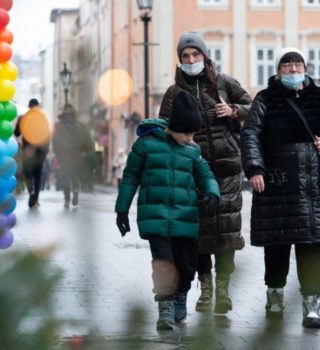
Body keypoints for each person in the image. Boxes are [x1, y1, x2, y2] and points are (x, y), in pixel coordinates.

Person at [240, 47, 320, 328]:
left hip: (314, 186)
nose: (293, 69)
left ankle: (311, 303)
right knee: (276, 244)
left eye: (297, 64)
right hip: (277, 183)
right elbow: (250, 133)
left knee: (311, 246)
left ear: (305, 68)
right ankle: (274, 296)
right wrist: (254, 168)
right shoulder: (265, 99)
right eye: (287, 65)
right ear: (278, 70)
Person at [158, 32, 252, 315]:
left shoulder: (224, 83)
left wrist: (234, 110)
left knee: (227, 230)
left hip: (226, 169)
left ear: (204, 55)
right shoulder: (174, 93)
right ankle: (206, 284)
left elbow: (257, 107)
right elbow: (163, 128)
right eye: (185, 56)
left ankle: (223, 287)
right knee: (198, 234)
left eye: (195, 55)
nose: (191, 60)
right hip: (192, 172)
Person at [115, 90, 220, 331]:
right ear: (173, 127)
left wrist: (213, 194)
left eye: (193, 133)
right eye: (186, 132)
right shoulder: (146, 145)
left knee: (187, 264)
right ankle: (165, 308)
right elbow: (130, 177)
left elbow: (206, 175)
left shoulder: (192, 150)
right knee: (163, 262)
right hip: (155, 216)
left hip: (186, 216)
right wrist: (122, 210)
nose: (189, 137)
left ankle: (180, 295)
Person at [52, 104, 93, 209]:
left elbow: (55, 141)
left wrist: (58, 153)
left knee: (66, 177)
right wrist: (85, 151)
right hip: (77, 155)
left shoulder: (59, 126)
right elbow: (87, 140)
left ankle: (67, 199)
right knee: (75, 176)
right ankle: (75, 192)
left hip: (65, 156)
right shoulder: (81, 125)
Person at [14, 98, 50, 208]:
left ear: (29, 107)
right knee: (38, 175)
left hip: (28, 150)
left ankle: (31, 192)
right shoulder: (43, 119)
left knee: (28, 173)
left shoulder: (23, 118)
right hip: (40, 150)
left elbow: (16, 133)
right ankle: (36, 199)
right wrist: (45, 150)